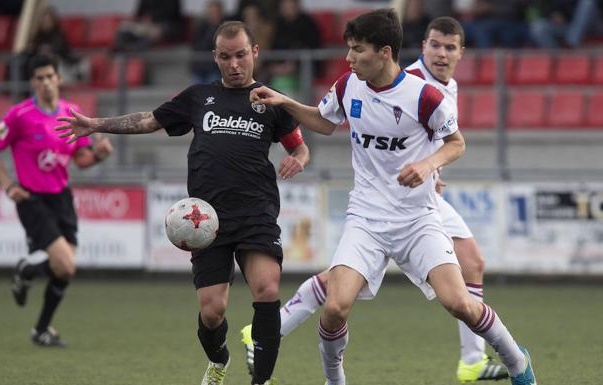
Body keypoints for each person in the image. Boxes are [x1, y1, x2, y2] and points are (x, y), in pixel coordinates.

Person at [249, 8, 536, 385]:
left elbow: (456, 143)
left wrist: (427, 164)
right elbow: (324, 120)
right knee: (335, 307)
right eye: (349, 49)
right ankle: (335, 381)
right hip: (366, 219)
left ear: (385, 52)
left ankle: (519, 365)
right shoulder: (349, 84)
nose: (349, 58)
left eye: (357, 50)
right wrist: (285, 102)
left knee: (460, 303)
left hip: (417, 220)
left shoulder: (424, 96)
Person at [56, 21, 310, 385]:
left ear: (254, 53)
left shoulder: (270, 101)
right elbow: (148, 121)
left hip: (256, 212)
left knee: (268, 289)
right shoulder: (198, 96)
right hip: (206, 220)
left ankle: (262, 381)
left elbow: (299, 145)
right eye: (225, 57)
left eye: (241, 55)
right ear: (215, 57)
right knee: (212, 312)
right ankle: (219, 359)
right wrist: (96, 124)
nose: (234, 64)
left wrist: (299, 158)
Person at [0, 53, 113, 347]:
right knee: (65, 265)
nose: (45, 83)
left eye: (49, 77)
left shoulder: (71, 113)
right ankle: (25, 270)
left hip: (62, 197)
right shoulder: (19, 114)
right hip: (31, 198)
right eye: (39, 78)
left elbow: (81, 160)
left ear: (59, 79)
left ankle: (41, 328)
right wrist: (7, 186)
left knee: (64, 270)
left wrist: (98, 155)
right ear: (32, 82)